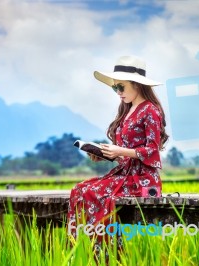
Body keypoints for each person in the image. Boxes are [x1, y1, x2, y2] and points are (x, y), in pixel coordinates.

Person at [67, 55, 169, 254]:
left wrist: (119, 150)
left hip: (143, 179)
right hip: (125, 173)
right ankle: (81, 249)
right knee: (79, 189)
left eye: (121, 87)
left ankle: (107, 252)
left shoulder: (150, 110)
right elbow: (125, 155)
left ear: (137, 84)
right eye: (115, 88)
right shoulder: (127, 110)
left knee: (93, 192)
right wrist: (107, 154)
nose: (118, 93)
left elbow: (152, 151)